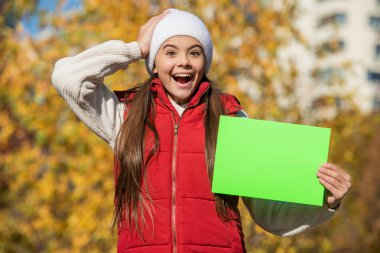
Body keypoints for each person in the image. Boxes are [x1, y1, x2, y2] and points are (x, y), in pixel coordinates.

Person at [51, 8, 351, 253]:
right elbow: (68, 78)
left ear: (204, 62)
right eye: (169, 52)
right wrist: (135, 48)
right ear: (154, 63)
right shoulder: (125, 116)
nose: (183, 61)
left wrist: (325, 201)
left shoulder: (232, 119)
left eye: (194, 53)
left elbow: (269, 214)